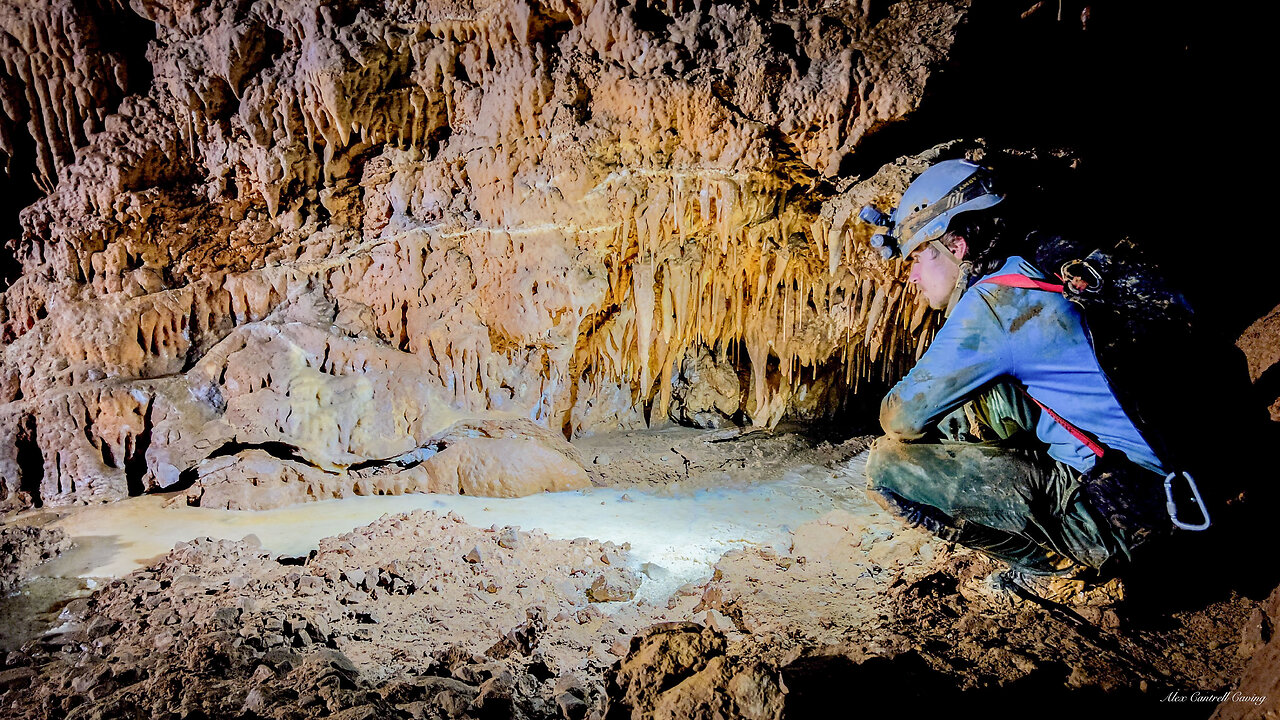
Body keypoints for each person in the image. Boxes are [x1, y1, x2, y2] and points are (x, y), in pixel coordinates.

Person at [859, 159, 1191, 596]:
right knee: (973, 401)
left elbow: (900, 418)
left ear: (956, 245)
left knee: (888, 465)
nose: (914, 275)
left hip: (1125, 512)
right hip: (1176, 478)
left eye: (920, 255)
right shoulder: (1043, 266)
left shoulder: (994, 303)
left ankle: (1054, 568)